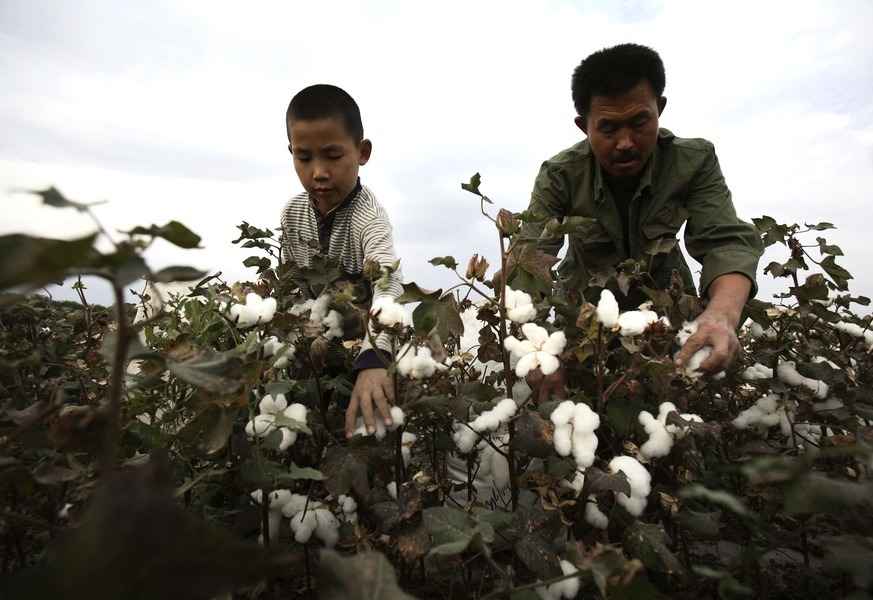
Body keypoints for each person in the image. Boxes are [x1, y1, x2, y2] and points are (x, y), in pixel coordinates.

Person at [523, 43, 763, 385]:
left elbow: (725, 243)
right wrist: (537, 349)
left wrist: (721, 316)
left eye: (639, 122)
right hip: (581, 326)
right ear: (583, 126)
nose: (625, 143)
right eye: (608, 128)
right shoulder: (560, 175)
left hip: (667, 325)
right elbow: (529, 259)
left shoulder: (693, 161)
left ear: (659, 109)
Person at [280, 84, 401, 439]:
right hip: (316, 345)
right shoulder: (292, 214)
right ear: (291, 153)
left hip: (362, 347)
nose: (318, 172)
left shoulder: (370, 220)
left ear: (362, 152)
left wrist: (374, 359)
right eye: (304, 158)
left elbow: (387, 283)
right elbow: (292, 287)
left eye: (332, 156)